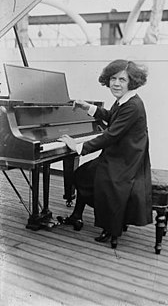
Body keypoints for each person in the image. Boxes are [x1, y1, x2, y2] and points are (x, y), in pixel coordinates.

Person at [58, 59, 152, 249]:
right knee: (82, 175)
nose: (116, 83)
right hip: (121, 155)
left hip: (126, 160)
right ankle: (77, 216)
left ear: (132, 82)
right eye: (113, 78)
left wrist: (77, 146)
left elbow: (110, 135)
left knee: (95, 179)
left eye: (122, 80)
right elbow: (111, 116)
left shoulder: (132, 105)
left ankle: (111, 226)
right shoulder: (126, 100)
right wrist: (88, 107)